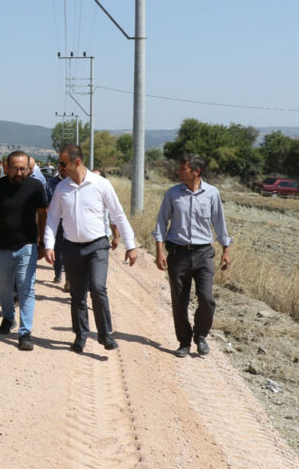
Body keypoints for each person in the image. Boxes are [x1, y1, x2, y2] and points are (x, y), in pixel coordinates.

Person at [43, 144, 137, 353]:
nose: (60, 167)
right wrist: (49, 244)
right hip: (70, 247)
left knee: (97, 287)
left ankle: (105, 334)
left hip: (97, 246)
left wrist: (130, 245)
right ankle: (81, 335)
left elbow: (118, 215)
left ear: (76, 162)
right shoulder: (61, 188)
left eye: (62, 163)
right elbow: (52, 218)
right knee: (77, 294)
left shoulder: (100, 184)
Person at [153, 154, 233, 358]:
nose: (179, 172)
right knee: (179, 300)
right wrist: (159, 250)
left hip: (203, 253)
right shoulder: (172, 194)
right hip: (178, 253)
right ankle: (184, 342)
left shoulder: (212, 193)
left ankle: (201, 336)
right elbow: (162, 222)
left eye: (183, 169)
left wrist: (226, 250)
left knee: (207, 299)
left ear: (196, 171)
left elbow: (219, 222)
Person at [0, 151, 48, 351]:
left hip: (27, 246)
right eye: (15, 168)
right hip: (1, 247)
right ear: (6, 167)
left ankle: (25, 332)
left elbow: (43, 214)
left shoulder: (36, 187)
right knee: (4, 288)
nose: (19, 172)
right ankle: (8, 318)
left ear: (29, 168)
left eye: (22, 168)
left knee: (27, 288)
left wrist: (43, 241)